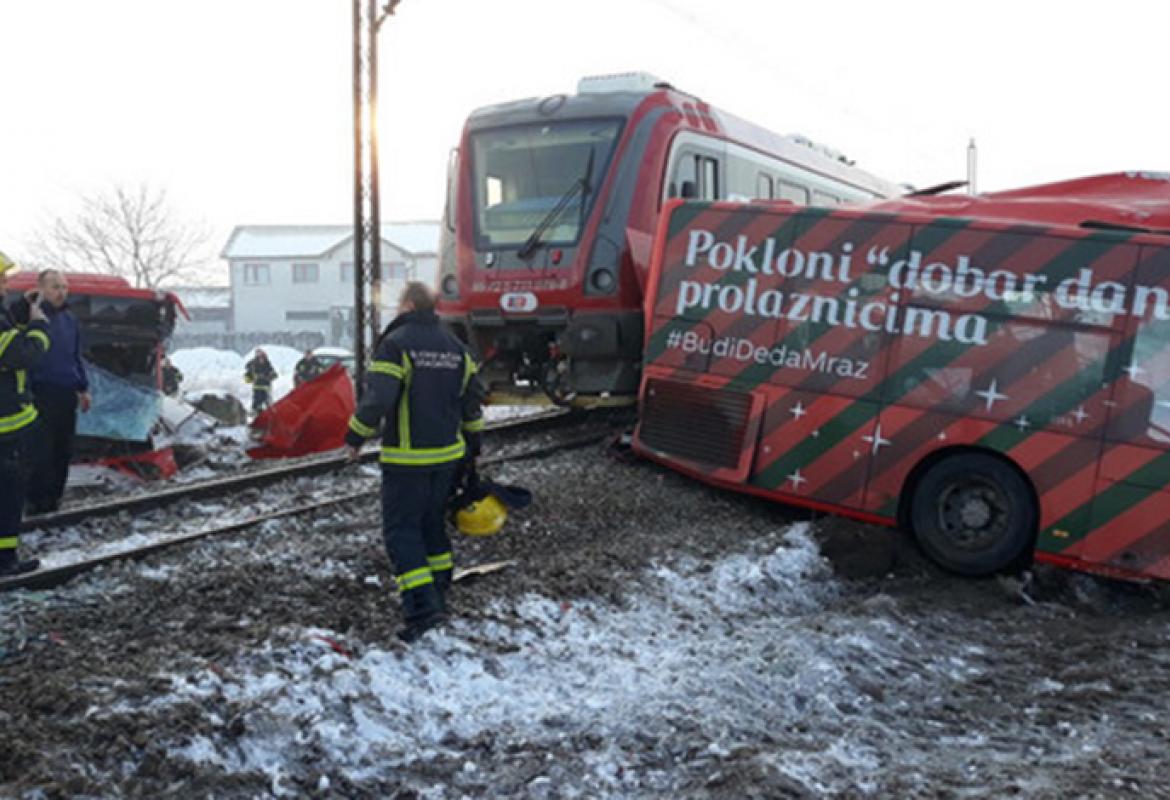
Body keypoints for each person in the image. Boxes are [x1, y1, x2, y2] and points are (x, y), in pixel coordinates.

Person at [344, 281, 485, 643]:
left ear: (407, 304)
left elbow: (379, 399)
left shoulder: (396, 345)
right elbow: (472, 404)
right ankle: (438, 594)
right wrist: (473, 448)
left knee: (402, 532)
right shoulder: (456, 348)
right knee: (432, 526)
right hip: (447, 458)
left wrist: (355, 436)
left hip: (407, 459)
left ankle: (422, 610)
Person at [17, 270, 90, 516]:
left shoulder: (70, 320)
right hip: (40, 392)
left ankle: (54, 499)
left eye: (64, 287)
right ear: (42, 289)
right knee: (41, 450)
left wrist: (83, 388)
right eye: (55, 287)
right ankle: (36, 501)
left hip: (66, 393)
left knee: (63, 448)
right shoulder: (33, 317)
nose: (61, 292)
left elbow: (76, 356)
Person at [0, 251, 51, 575]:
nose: (5, 286)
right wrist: (39, 327)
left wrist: (21, 308)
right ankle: (4, 561)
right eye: (1, 280)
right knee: (8, 495)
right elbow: (23, 353)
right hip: (5, 427)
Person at [244, 348, 278, 414]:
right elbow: (247, 377)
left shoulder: (267, 364)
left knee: (267, 402)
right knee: (256, 402)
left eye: (262, 357)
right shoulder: (253, 365)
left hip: (266, 388)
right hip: (257, 387)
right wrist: (250, 377)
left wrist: (268, 377)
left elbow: (274, 375)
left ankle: (269, 414)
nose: (261, 359)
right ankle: (256, 413)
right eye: (259, 357)